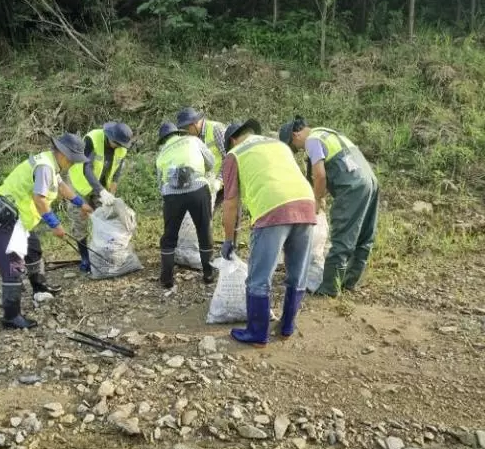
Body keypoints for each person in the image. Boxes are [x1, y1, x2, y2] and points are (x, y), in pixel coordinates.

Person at [221, 119, 317, 347]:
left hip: (272, 208)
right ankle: (286, 327)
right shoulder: (280, 146)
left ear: (233, 140)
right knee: (297, 272)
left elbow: (231, 203)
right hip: (305, 204)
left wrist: (228, 239)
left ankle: (257, 333)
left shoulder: (234, 155)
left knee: (259, 277)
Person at [0, 133, 93, 329]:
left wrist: (80, 203)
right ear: (63, 155)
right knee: (13, 266)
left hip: (20, 219)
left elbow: (61, 186)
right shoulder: (45, 166)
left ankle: (39, 288)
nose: (73, 164)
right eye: (72, 160)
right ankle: (11, 316)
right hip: (6, 216)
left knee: (33, 249)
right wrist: (55, 224)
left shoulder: (51, 164)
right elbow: (40, 199)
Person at [279, 116, 379, 297]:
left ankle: (330, 288)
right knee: (364, 236)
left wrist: (317, 200)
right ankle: (348, 282)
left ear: (295, 135)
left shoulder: (312, 141)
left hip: (352, 188)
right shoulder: (328, 133)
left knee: (342, 237)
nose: (300, 150)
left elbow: (320, 175)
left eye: (295, 147)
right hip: (370, 181)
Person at [155, 122, 216, 288]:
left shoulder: (161, 154)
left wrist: (171, 195)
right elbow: (211, 162)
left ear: (163, 140)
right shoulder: (192, 140)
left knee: (169, 236)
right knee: (204, 230)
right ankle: (208, 274)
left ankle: (166, 279)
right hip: (197, 188)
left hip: (172, 194)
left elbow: (160, 183)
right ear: (177, 133)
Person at [67, 122, 133, 272]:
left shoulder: (121, 147)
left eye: (121, 145)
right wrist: (101, 191)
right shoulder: (92, 139)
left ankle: (107, 255)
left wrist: (111, 192)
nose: (118, 147)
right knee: (80, 221)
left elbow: (117, 171)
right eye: (116, 143)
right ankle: (85, 258)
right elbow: (86, 167)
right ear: (110, 136)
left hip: (102, 187)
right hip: (80, 185)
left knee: (108, 219)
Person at [176, 107, 226, 211]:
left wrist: (220, 180)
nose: (186, 133)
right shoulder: (194, 138)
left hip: (227, 178)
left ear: (193, 124)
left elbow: (229, 157)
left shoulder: (216, 129)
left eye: (186, 129)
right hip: (210, 183)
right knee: (205, 214)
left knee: (232, 215)